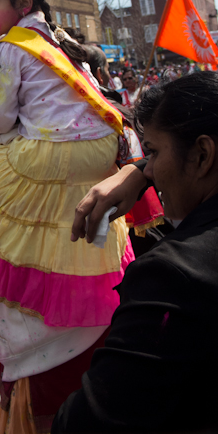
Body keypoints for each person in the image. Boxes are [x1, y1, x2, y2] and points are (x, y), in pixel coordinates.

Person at [0, 0, 134, 433]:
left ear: (23, 4)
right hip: (101, 151)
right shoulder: (58, 40)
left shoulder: (12, 47)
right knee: (76, 221)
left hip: (59, 153)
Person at [53, 72, 218, 432]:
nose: (154, 171)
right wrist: (139, 171)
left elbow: (88, 423)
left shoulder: (174, 275)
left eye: (154, 152)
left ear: (203, 154)